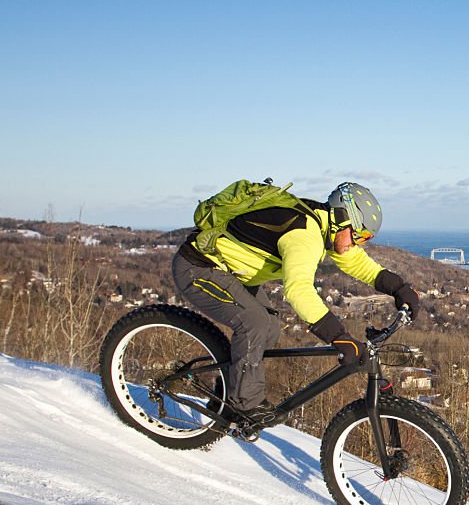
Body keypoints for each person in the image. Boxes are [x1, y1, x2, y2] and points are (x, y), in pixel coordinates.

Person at [171, 181, 419, 429]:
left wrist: (399, 289)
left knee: (269, 327)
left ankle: (227, 392)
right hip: (199, 267)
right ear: (342, 219)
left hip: (234, 274)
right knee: (254, 322)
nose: (359, 243)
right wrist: (340, 338)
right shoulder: (304, 235)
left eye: (366, 238)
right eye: (359, 235)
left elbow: (359, 264)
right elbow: (298, 290)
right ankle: (243, 405)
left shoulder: (325, 227)